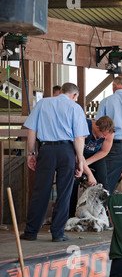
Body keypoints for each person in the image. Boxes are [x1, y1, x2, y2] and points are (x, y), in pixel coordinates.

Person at [21, 83, 89, 242]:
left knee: (40, 191)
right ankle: (57, 233)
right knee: (64, 192)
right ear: (74, 96)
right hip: (66, 151)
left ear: (61, 92)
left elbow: (32, 131)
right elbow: (79, 138)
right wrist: (79, 160)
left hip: (46, 150)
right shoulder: (75, 108)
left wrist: (31, 153)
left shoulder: (43, 103)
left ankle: (31, 232)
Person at [69, 116, 115, 217]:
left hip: (95, 156)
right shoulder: (85, 126)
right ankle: (70, 215)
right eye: (103, 135)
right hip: (78, 154)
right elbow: (78, 155)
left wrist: (86, 163)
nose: (104, 137)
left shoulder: (109, 134)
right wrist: (88, 173)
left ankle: (108, 216)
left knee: (103, 181)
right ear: (98, 128)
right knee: (74, 181)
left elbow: (104, 151)